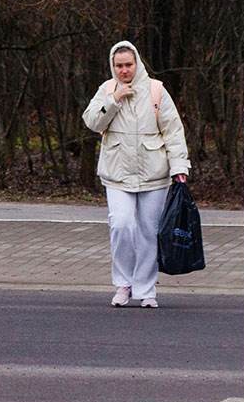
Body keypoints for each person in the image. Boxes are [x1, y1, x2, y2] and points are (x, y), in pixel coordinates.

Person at [82, 41, 191, 308]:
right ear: (113, 66)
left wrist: (180, 167)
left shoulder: (156, 90)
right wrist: (114, 100)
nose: (124, 70)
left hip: (154, 173)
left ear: (137, 63)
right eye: (119, 66)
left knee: (148, 231)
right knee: (121, 225)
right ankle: (123, 284)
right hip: (117, 173)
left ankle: (146, 289)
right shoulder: (106, 90)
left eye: (128, 65)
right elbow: (92, 121)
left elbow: (173, 131)